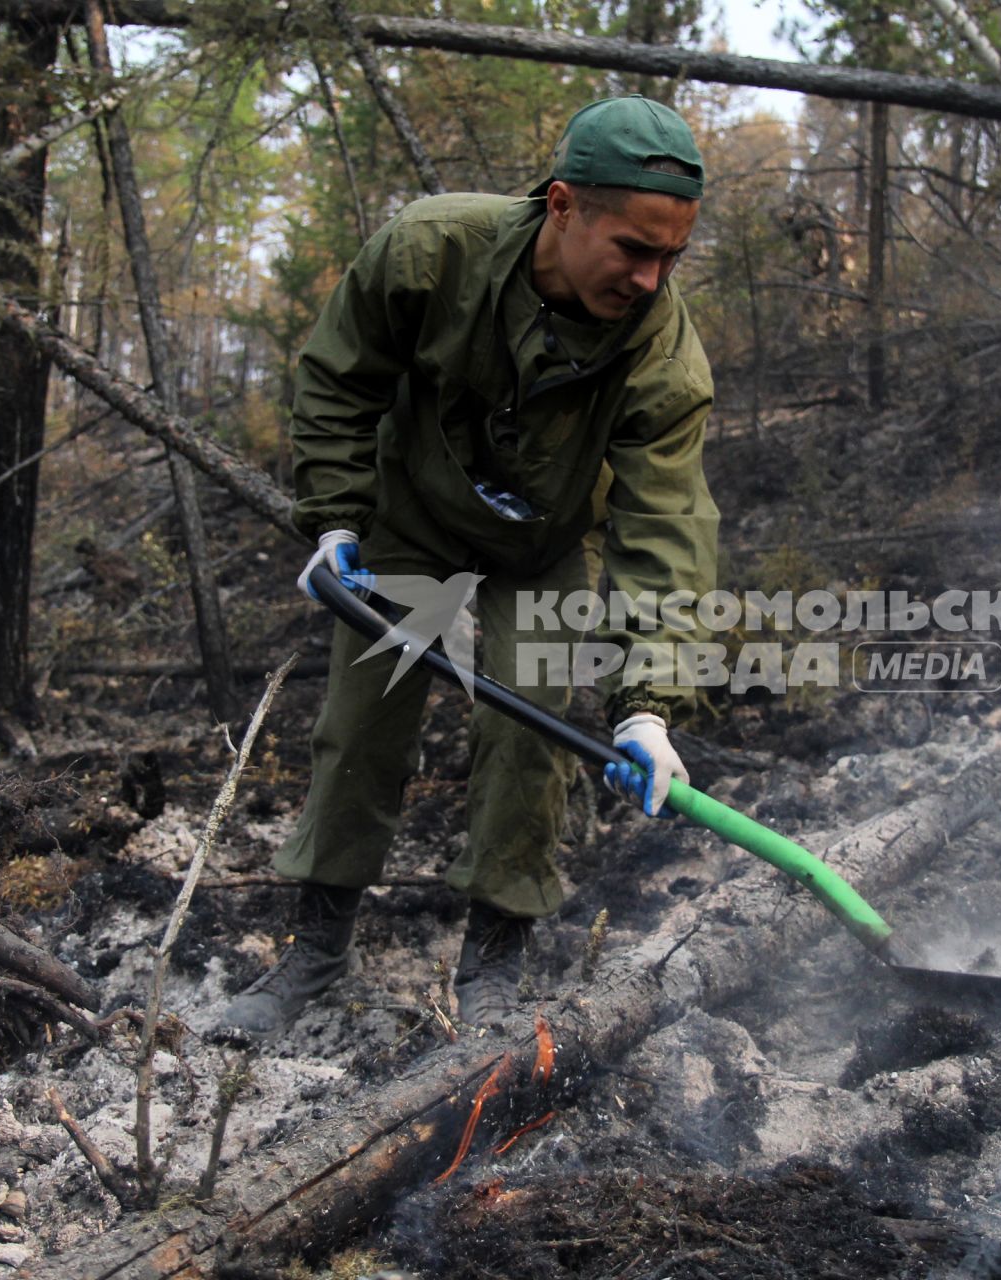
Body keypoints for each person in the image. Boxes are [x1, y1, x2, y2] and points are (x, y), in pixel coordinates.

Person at [214, 95, 718, 1043]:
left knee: (532, 733)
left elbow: (670, 523)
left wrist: (648, 703)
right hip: (410, 518)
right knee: (361, 721)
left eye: (672, 258)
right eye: (633, 250)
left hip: (545, 544)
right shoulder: (430, 251)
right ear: (563, 206)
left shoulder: (659, 347)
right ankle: (316, 953)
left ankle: (496, 959)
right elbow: (338, 377)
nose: (651, 280)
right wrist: (333, 519)